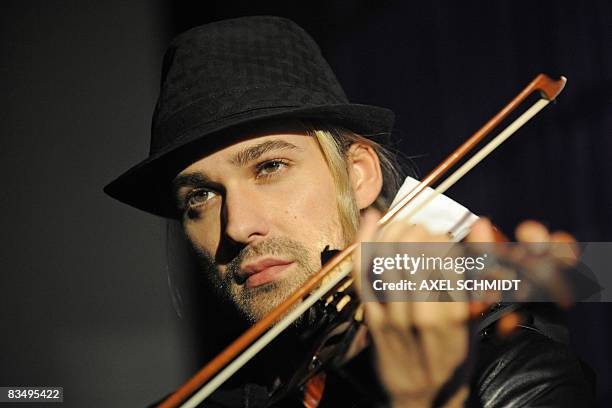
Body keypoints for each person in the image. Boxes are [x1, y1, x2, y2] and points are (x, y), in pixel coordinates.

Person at [105, 16, 595, 407]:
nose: (236, 225)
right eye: (200, 197)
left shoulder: (515, 379)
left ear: (358, 174)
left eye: (270, 166)